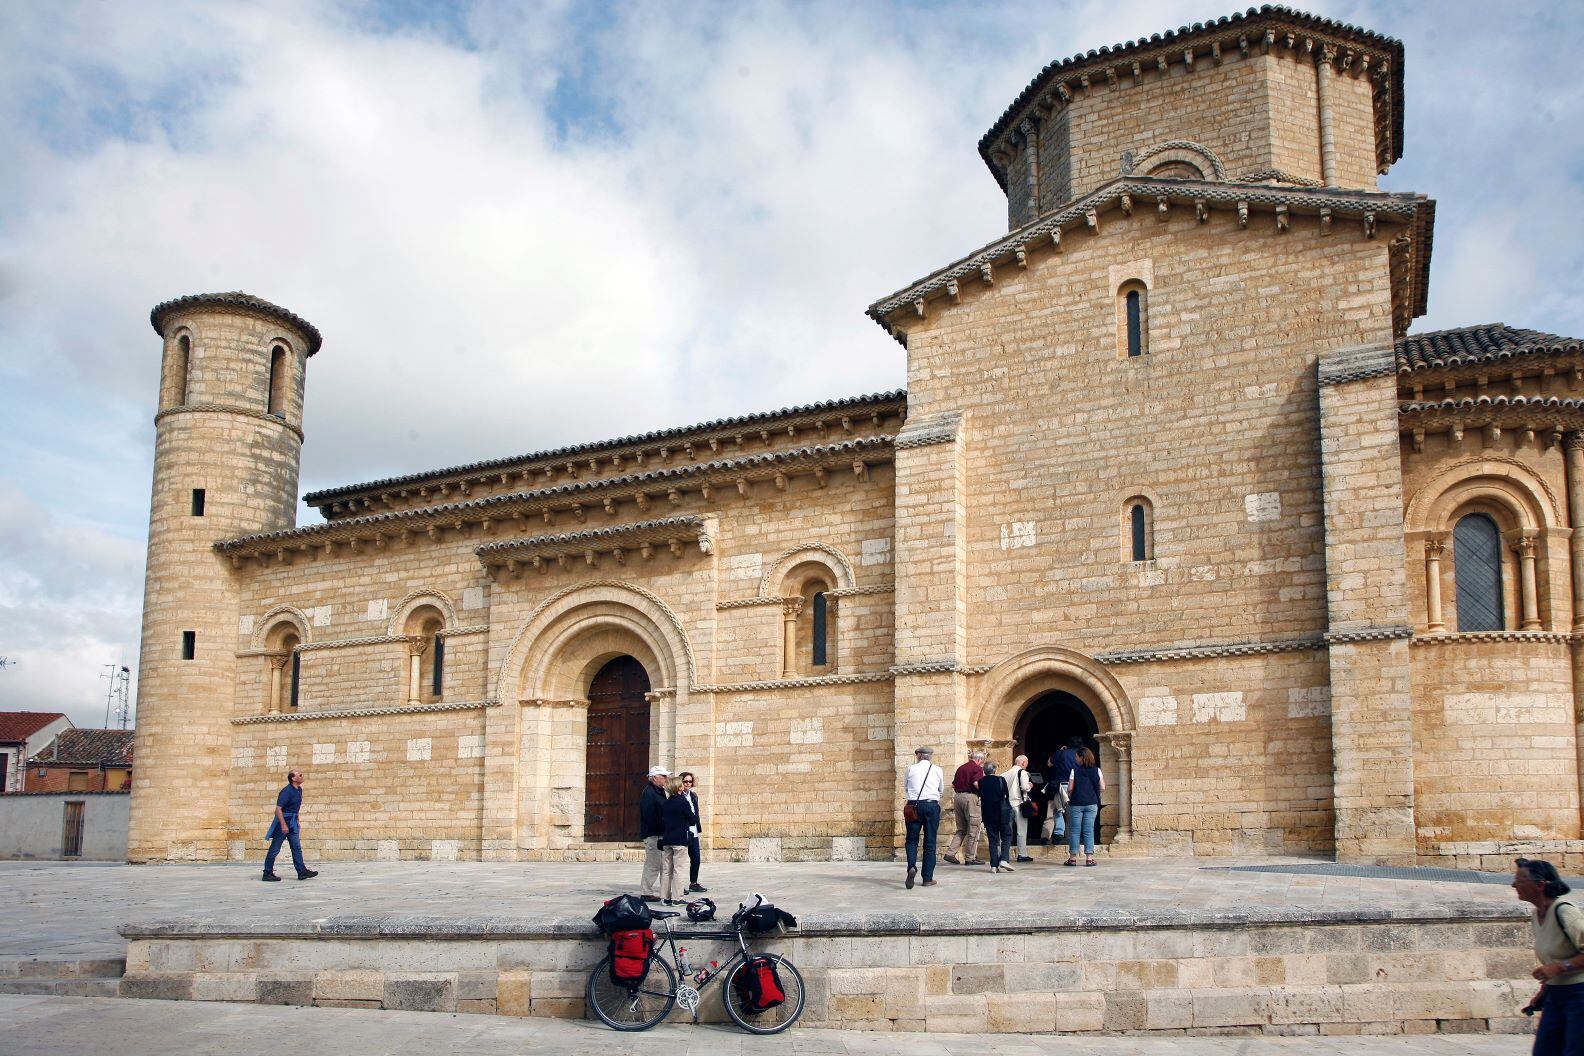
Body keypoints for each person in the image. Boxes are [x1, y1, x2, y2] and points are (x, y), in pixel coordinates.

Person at [1515, 857, 1584, 1053]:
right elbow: (1552, 958)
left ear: (1540, 885)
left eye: (1520, 881)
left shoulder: (1565, 912)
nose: (1514, 886)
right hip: (1556, 996)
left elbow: (1558, 964)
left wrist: (1559, 968)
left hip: (1579, 996)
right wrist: (1545, 990)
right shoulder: (1536, 916)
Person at [262, 769, 318, 881]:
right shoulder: (286, 791)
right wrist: (283, 825)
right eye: (300, 775)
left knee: (296, 847)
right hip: (283, 822)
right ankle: (267, 873)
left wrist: (297, 821)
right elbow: (278, 809)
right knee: (275, 849)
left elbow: (295, 809)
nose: (302, 776)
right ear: (293, 778)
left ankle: (301, 871)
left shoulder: (299, 790)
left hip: (292, 823)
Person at [903, 746, 943, 889]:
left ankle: (911, 867)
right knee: (930, 841)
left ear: (919, 756)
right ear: (929, 756)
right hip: (931, 805)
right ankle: (927, 878)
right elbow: (941, 789)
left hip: (913, 806)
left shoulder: (910, 769)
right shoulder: (937, 770)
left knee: (912, 840)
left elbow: (906, 787)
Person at [944, 749, 986, 865]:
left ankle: (950, 853)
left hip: (958, 797)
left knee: (961, 829)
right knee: (973, 827)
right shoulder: (977, 768)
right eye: (982, 761)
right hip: (970, 798)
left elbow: (953, 784)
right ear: (979, 759)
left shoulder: (961, 768)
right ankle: (970, 857)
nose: (982, 763)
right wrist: (984, 792)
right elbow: (976, 783)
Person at [1065, 746, 1104, 867]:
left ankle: (1072, 859)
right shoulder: (1097, 770)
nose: (1075, 758)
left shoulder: (1074, 771)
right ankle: (1089, 858)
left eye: (1077, 756)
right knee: (1088, 830)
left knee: (1075, 831)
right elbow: (1102, 787)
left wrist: (1071, 795)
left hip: (1076, 803)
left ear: (1082, 757)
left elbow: (1070, 788)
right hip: (1091, 803)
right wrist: (1093, 794)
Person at [659, 775, 694, 904]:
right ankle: (677, 898)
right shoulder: (682, 801)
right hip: (679, 840)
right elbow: (692, 820)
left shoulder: (666, 802)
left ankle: (665, 897)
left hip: (667, 839)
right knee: (678, 869)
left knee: (667, 870)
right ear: (679, 787)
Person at [638, 765, 669, 902]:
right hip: (653, 834)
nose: (666, 779)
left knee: (661, 863)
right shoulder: (649, 793)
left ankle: (665, 890)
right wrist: (660, 830)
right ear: (655, 778)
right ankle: (646, 892)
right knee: (653, 863)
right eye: (663, 776)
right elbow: (649, 815)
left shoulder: (658, 791)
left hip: (659, 833)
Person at [979, 760, 1014, 872]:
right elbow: (1006, 795)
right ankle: (1004, 859)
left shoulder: (981, 782)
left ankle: (994, 865)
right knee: (1007, 836)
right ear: (994, 769)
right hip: (1001, 813)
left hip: (988, 814)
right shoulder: (1000, 780)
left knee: (993, 840)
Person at [679, 771, 707, 893]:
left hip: (693, 831)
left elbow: (696, 813)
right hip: (683, 832)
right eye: (685, 781)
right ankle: (678, 886)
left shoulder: (693, 796)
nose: (688, 783)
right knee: (680, 861)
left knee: (696, 858)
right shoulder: (678, 796)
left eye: (690, 781)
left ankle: (693, 883)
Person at [1007, 754, 1034, 863]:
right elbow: (1024, 787)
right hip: (1018, 803)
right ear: (1023, 763)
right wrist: (1030, 785)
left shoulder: (1005, 773)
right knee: (1021, 830)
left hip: (1007, 804)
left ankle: (1005, 853)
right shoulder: (1023, 773)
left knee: (1007, 830)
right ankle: (1022, 854)